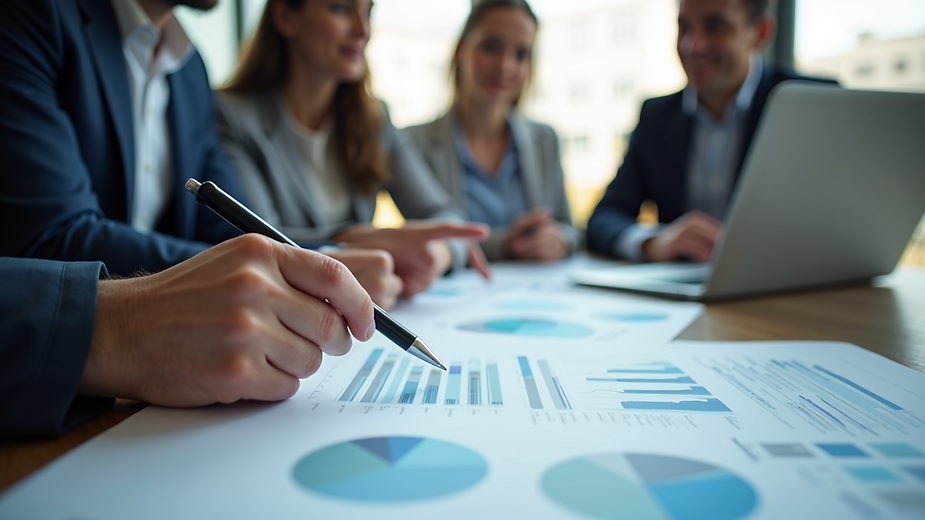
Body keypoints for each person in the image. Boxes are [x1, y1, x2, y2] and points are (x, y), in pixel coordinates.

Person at [0, 0, 402, 308]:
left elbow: (231, 226)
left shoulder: (190, 72)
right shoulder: (32, 17)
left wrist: (327, 261)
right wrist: (292, 267)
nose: (363, 28)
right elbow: (52, 237)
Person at [216, 0, 489, 299]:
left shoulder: (375, 120)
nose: (363, 30)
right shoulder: (231, 117)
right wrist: (359, 242)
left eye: (368, 12)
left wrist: (436, 255)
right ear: (284, 16)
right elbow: (255, 242)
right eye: (341, 9)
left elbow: (448, 218)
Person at [0, 235, 375, 438]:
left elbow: (219, 230)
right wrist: (116, 322)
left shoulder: (190, 89)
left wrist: (311, 261)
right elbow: (45, 231)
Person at [585, 0, 837, 262]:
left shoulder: (815, 104)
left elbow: (842, 222)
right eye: (684, 28)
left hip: (788, 287)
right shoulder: (656, 116)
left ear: (760, 33)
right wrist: (653, 242)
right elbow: (604, 218)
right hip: (684, 293)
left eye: (715, 27)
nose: (692, 46)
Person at [407, 0, 578, 262]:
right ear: (460, 51)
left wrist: (559, 239)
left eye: (521, 54)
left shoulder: (545, 139)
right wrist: (507, 244)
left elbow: (571, 229)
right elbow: (431, 241)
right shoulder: (413, 143)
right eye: (492, 47)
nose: (505, 66)